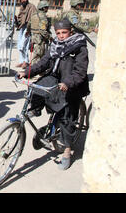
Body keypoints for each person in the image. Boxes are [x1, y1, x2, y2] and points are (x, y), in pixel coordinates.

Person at [18, 19, 89, 170]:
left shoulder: (79, 46)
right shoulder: (55, 45)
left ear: (71, 31)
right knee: (38, 86)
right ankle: (35, 110)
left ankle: (67, 152)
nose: (61, 36)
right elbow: (43, 62)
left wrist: (68, 83)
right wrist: (27, 72)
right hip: (57, 77)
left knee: (67, 118)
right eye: (58, 33)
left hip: (72, 83)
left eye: (64, 32)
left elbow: (80, 72)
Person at [15, 0, 37, 69]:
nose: (23, 0)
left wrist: (30, 29)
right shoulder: (21, 7)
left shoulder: (32, 7)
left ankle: (26, 62)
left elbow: (34, 18)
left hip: (28, 28)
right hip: (22, 27)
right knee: (19, 46)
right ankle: (22, 61)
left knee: (23, 45)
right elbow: (20, 18)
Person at [28, 0, 51, 65]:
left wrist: (28, 32)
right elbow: (43, 31)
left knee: (35, 54)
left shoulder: (33, 15)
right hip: (40, 38)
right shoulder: (43, 17)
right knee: (39, 55)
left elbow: (29, 25)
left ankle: (35, 69)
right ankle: (35, 70)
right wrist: (49, 37)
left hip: (34, 37)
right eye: (46, 7)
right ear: (43, 8)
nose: (47, 9)